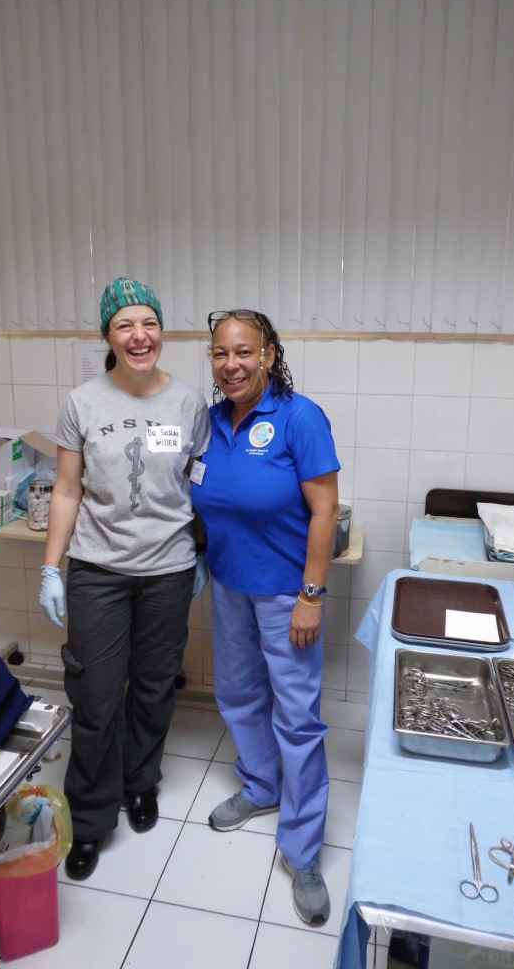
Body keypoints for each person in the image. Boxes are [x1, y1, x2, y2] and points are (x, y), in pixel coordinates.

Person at [39, 277, 210, 881]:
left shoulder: (189, 404)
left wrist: (202, 550)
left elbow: (201, 484)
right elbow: (66, 489)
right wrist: (50, 566)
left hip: (167, 570)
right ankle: (89, 819)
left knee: (155, 688)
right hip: (99, 573)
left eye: (149, 323)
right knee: (95, 698)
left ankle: (140, 784)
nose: (140, 336)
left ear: (161, 330)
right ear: (108, 336)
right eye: (125, 326)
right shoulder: (82, 403)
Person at [191, 309, 340, 925]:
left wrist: (311, 594)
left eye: (244, 352)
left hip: (286, 593)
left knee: (297, 716)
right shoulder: (207, 421)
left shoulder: (299, 417)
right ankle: (259, 787)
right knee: (238, 694)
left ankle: (302, 849)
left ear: (270, 353)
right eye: (221, 354)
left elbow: (325, 509)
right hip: (229, 585)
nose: (232, 365)